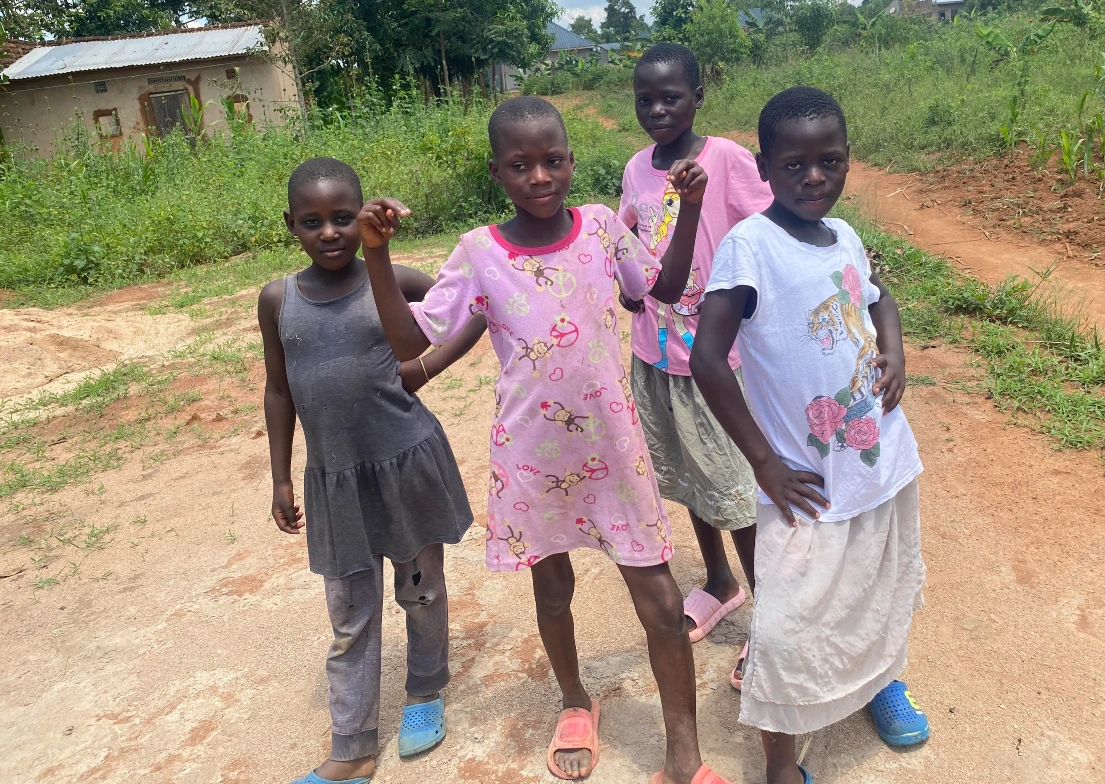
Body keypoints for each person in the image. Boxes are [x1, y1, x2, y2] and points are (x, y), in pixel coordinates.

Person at [358, 97, 732, 784]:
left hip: (614, 451)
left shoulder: (599, 228)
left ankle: (684, 750)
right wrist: (377, 258)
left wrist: (695, 210)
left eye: (552, 160)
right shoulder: (477, 252)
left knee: (658, 597)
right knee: (552, 588)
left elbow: (666, 286)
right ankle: (574, 699)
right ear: (497, 171)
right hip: (531, 458)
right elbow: (414, 339)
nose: (539, 177)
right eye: (521, 165)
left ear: (570, 160)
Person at [691, 87, 931, 784]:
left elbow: (877, 295)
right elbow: (708, 356)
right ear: (765, 168)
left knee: (879, 588)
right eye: (794, 166)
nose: (814, 178)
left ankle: (880, 683)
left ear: (848, 161)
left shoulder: (846, 236)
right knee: (788, 627)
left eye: (828, 161)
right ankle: (778, 763)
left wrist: (895, 349)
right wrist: (763, 463)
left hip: (879, 462)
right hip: (805, 479)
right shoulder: (750, 248)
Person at [259, 157, 487, 784]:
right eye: (312, 221)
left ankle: (423, 693)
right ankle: (353, 745)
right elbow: (279, 390)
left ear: (362, 219)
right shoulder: (278, 299)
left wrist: (424, 370)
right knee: (349, 612)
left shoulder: (392, 278)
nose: (329, 232)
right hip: (336, 481)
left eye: (342, 218)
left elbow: (471, 307)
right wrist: (280, 475)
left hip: (404, 463)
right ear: (291, 226)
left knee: (420, 589)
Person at [618, 42, 774, 688]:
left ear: (697, 97)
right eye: (646, 100)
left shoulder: (727, 160)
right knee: (686, 478)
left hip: (714, 361)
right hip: (654, 356)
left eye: (672, 97)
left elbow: (772, 228)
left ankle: (774, 624)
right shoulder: (635, 168)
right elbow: (628, 240)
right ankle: (717, 581)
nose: (658, 109)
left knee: (737, 495)